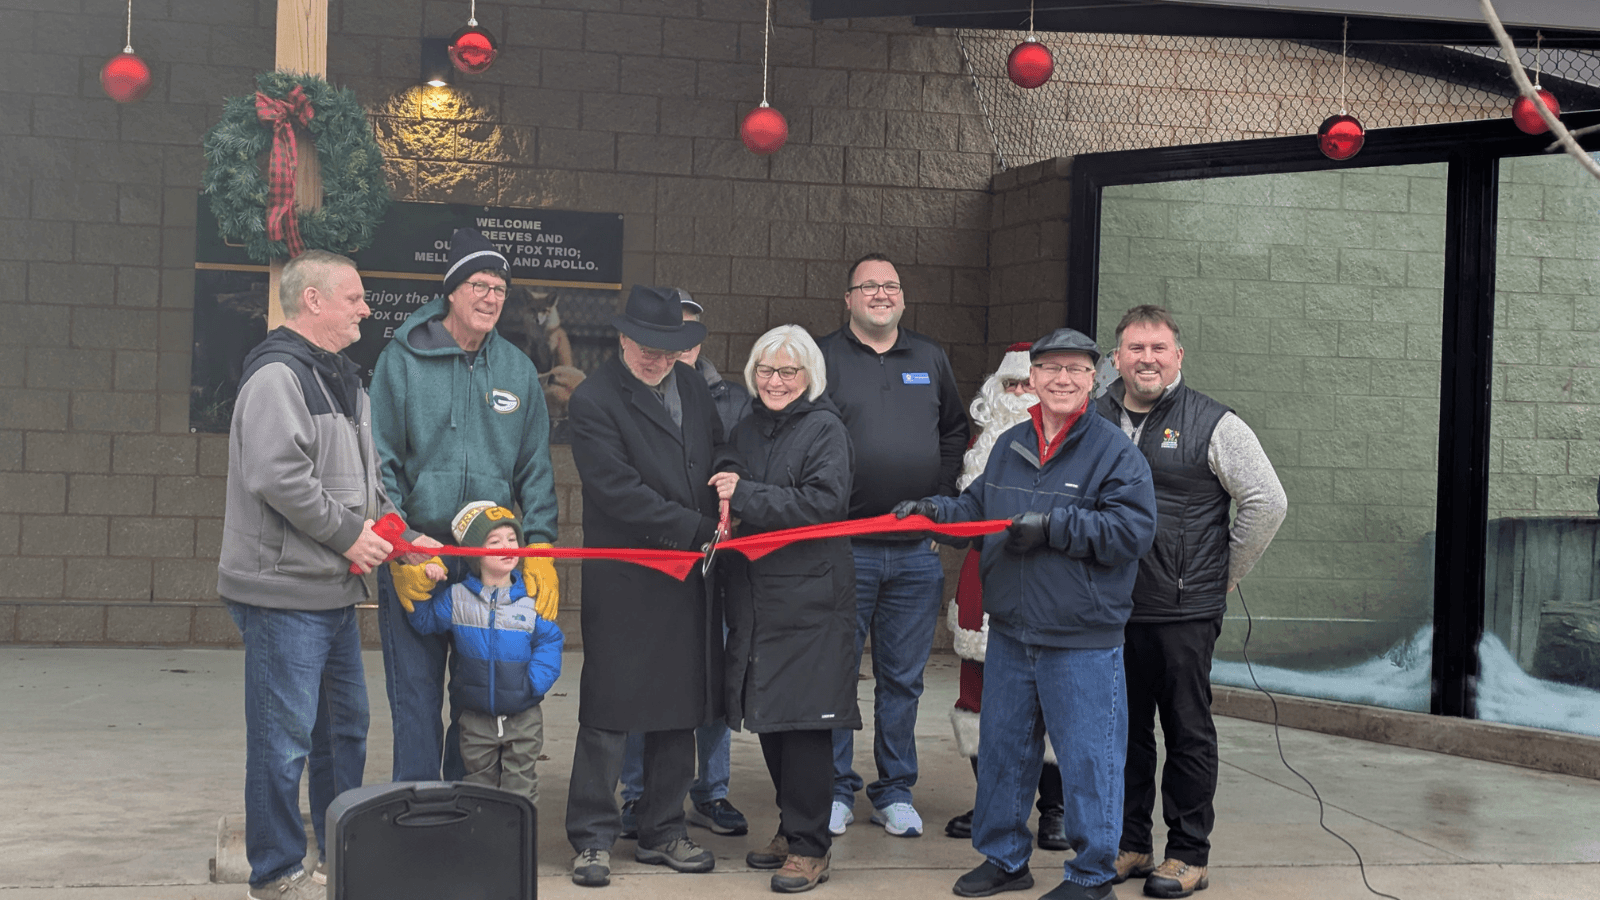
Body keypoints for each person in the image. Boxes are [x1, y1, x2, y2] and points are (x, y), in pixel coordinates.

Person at [898, 328, 1157, 900]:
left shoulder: (1115, 451)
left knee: (1089, 762)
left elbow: (1132, 531)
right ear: (1032, 378)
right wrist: (932, 512)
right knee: (1004, 754)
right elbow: (975, 509)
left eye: (1076, 369)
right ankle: (1005, 859)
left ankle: (1092, 876)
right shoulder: (1010, 443)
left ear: (1094, 379)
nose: (1062, 379)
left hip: (1081, 636)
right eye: (1050, 369)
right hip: (1012, 630)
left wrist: (1056, 528)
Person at [218, 250, 435, 900]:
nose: (366, 308)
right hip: (284, 598)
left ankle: (339, 856)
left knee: (342, 732)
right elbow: (278, 477)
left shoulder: (344, 380)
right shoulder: (277, 379)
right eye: (355, 297)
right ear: (312, 301)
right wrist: (351, 537)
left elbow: (363, 487)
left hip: (332, 594)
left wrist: (402, 536)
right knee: (283, 742)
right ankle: (278, 872)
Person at [1096, 305, 1287, 900]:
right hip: (1110, 610)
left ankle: (1187, 853)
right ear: (1117, 358)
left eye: (1158, 348)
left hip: (1183, 613)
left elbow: (1267, 501)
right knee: (1123, 733)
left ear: (1178, 356)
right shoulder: (1093, 418)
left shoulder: (1215, 423)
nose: (1146, 359)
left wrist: (1217, 578)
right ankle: (1130, 844)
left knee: (1186, 731)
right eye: (1134, 348)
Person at [369, 227, 561, 785]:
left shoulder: (519, 371)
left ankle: (460, 809)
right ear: (451, 290)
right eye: (479, 284)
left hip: (489, 563)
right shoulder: (401, 360)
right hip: (421, 556)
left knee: (481, 696)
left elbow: (535, 469)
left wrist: (541, 545)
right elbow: (378, 465)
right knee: (416, 696)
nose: (491, 297)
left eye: (500, 288)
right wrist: (400, 543)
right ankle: (415, 807)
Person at [564, 285, 728, 888]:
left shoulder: (690, 385)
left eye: (669, 347)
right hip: (628, 578)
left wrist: (731, 472)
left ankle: (664, 829)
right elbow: (616, 490)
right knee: (609, 710)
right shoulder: (594, 400)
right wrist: (695, 528)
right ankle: (591, 838)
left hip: (688, 578)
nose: (658, 357)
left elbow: (720, 445)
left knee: (676, 708)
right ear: (622, 338)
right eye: (647, 346)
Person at [817, 252, 969, 838]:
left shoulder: (928, 357)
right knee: (835, 672)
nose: (881, 294)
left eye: (891, 286)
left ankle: (895, 789)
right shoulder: (824, 357)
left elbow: (954, 429)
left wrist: (937, 501)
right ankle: (833, 788)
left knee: (903, 679)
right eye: (868, 286)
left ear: (902, 298)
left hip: (913, 553)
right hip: (844, 546)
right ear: (848, 298)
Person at [707, 325, 861, 893]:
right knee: (770, 715)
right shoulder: (748, 424)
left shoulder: (825, 429)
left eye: (788, 372)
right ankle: (793, 827)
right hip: (757, 594)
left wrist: (742, 494)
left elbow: (823, 503)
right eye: (767, 371)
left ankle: (811, 847)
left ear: (809, 377)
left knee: (805, 724)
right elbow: (728, 464)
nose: (775, 381)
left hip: (810, 599)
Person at [618, 290, 751, 839]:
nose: (674, 350)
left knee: (713, 681)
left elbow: (733, 452)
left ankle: (710, 792)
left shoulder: (729, 397)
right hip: (656, 563)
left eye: (685, 338)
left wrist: (730, 479)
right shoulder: (628, 394)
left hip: (716, 565)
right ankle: (636, 794)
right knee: (644, 682)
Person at [944, 343, 1069, 853]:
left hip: (1047, 584)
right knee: (978, 700)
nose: (1018, 394)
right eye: (1010, 385)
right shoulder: (982, 444)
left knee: (1052, 699)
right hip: (983, 579)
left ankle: (1055, 811)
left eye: (1026, 384)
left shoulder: (1074, 444)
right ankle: (995, 803)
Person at [403, 501, 564, 807]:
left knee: (521, 789)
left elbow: (550, 640)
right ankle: (485, 850)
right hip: (475, 720)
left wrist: (534, 683)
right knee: (479, 790)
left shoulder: (529, 599)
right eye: (495, 541)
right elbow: (424, 622)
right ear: (476, 552)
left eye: (512, 538)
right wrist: (421, 580)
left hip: (523, 717)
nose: (507, 546)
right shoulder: (458, 597)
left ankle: (517, 850)